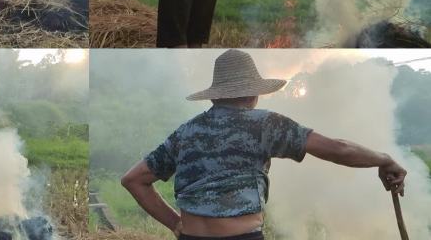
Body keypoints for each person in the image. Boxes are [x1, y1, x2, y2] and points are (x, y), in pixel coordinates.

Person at [121, 49, 407, 240]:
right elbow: (338, 149)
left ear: (214, 96)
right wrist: (384, 159)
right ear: (254, 95)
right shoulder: (263, 124)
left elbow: (133, 180)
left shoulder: (186, 132)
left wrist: (175, 225)